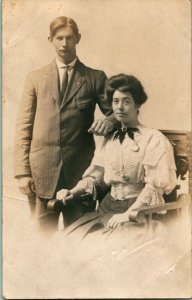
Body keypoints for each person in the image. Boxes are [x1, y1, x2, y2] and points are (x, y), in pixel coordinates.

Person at [14, 16, 116, 231]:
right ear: (50, 39)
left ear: (78, 38)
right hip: (41, 174)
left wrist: (109, 120)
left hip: (80, 176)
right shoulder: (35, 78)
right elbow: (24, 127)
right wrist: (22, 173)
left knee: (81, 236)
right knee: (41, 241)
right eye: (59, 38)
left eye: (69, 38)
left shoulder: (95, 78)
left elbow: (118, 115)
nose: (64, 44)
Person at [57, 73, 177, 236]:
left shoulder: (153, 138)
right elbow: (96, 178)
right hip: (107, 209)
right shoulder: (109, 139)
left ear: (137, 105)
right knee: (69, 240)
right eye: (116, 101)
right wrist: (73, 192)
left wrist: (128, 214)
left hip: (140, 212)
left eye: (126, 101)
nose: (120, 107)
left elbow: (154, 187)